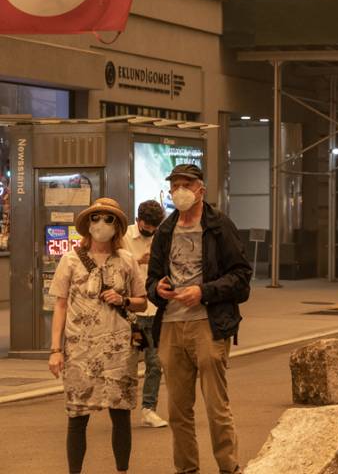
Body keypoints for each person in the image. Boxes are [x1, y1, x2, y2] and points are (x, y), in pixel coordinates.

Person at [147, 164, 251, 474]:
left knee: (216, 407)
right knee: (178, 411)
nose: (180, 190)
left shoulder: (219, 226)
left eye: (186, 184)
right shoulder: (165, 230)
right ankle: (187, 469)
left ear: (200, 190)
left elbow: (242, 278)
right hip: (170, 326)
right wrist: (157, 288)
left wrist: (203, 292)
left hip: (209, 323)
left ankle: (228, 467)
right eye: (175, 184)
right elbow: (151, 281)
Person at [48, 197, 148, 474]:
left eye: (108, 219)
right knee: (77, 417)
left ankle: (122, 470)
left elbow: (142, 300)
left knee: (121, 414)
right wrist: (55, 350)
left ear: (117, 227)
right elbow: (60, 304)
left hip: (118, 347)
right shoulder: (70, 259)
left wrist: (123, 299)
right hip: (80, 349)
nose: (101, 224)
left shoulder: (127, 260)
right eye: (95, 218)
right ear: (86, 225)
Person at [124, 199, 168, 429]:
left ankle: (148, 409)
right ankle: (121, 406)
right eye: (147, 226)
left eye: (154, 227)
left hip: (155, 310)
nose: (150, 230)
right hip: (132, 314)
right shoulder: (124, 237)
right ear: (139, 220)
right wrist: (137, 261)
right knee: (127, 362)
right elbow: (114, 267)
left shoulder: (161, 238)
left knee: (155, 362)